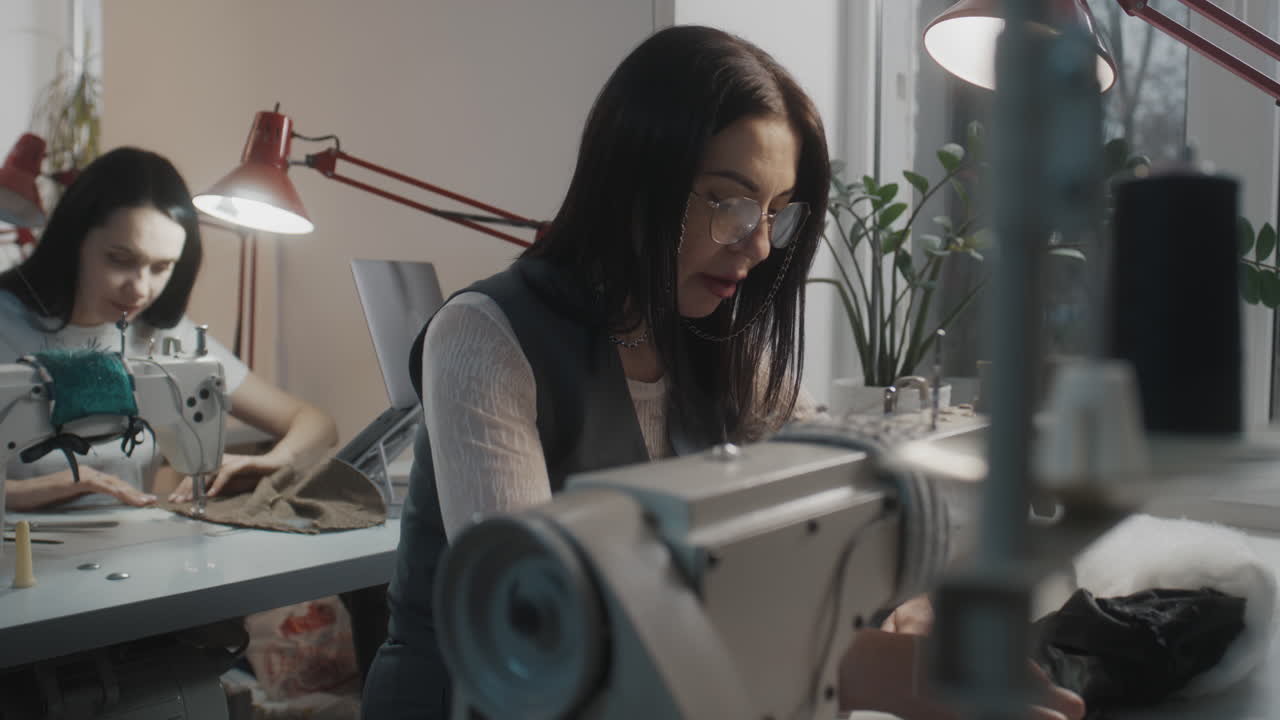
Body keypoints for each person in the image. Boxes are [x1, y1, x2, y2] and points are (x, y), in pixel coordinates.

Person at [362, 25, 1084, 720]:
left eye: (776, 211)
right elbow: (546, 624)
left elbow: (848, 479)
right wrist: (871, 669)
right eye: (728, 201)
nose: (761, 243)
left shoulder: (717, 345)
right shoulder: (483, 338)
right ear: (635, 174)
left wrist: (913, 599)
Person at [0, 147, 338, 511]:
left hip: (125, 551)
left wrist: (279, 460)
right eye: (120, 259)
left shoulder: (165, 336)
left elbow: (316, 423)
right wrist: (21, 493)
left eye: (161, 267)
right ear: (75, 240)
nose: (141, 289)